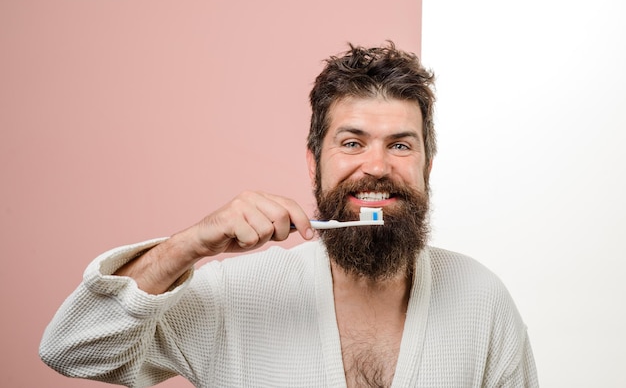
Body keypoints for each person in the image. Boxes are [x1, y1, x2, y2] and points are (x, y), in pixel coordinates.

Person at [40, 42, 538, 387]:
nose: (378, 166)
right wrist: (190, 244)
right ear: (312, 162)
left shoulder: (481, 300)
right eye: (351, 142)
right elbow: (72, 348)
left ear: (427, 166)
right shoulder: (231, 295)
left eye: (401, 145)